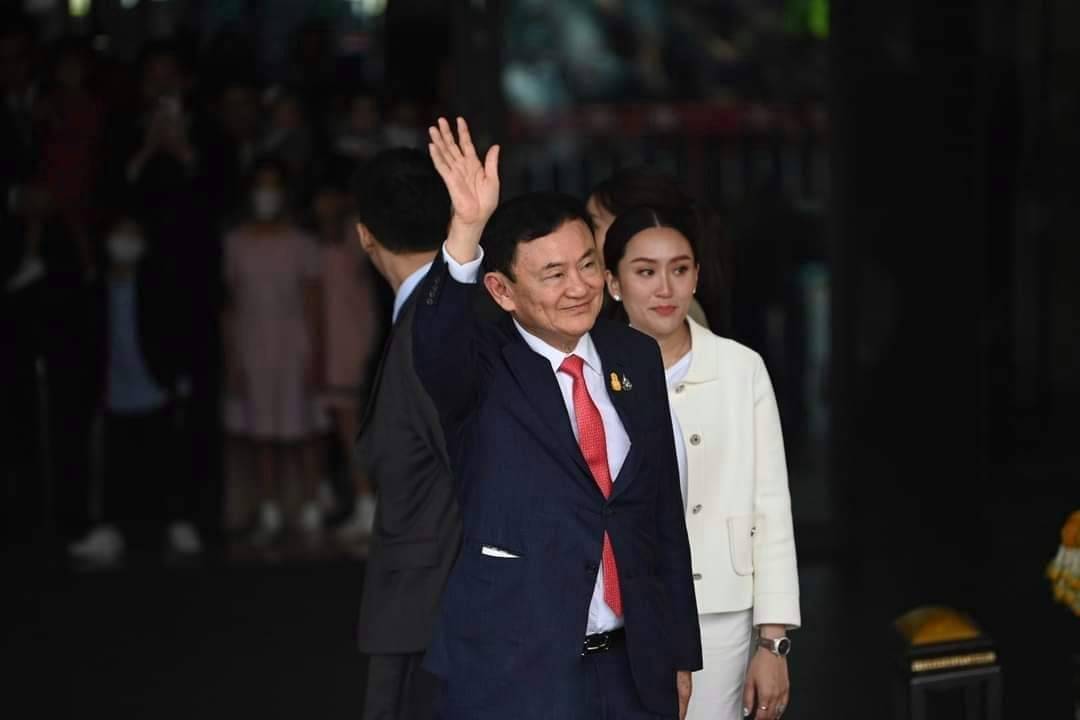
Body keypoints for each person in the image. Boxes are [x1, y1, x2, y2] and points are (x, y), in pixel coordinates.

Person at [415, 117, 701, 719]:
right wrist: (465, 230)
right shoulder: (483, 369)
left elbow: (661, 512)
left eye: (588, 265)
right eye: (553, 274)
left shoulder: (633, 355)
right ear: (502, 291)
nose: (580, 287)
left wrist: (678, 651)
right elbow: (436, 343)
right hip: (519, 668)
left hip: (633, 664)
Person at [603, 206, 801, 720]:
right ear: (613, 282)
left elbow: (770, 505)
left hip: (719, 609)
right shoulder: (592, 370)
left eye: (680, 268)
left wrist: (773, 642)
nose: (665, 288)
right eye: (645, 271)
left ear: (696, 276)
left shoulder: (740, 367)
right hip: (618, 615)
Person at [350, 148, 462, 720]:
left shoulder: (428, 326)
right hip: (428, 602)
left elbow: (469, 466)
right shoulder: (435, 311)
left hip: (431, 608)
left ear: (364, 235)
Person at [69, 213, 202, 564]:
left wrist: (179, 377)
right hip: (113, 392)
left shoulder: (158, 284)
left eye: (133, 235)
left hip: (155, 388)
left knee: (167, 461)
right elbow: (86, 341)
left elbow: (176, 329)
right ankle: (108, 530)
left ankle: (178, 522)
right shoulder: (95, 287)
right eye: (119, 234)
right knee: (114, 468)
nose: (124, 242)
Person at [222, 158, 325, 545]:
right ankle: (268, 508)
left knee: (302, 428)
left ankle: (311, 504)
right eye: (259, 186)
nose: (266, 195)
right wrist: (231, 357)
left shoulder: (302, 244)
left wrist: (316, 354)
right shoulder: (234, 243)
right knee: (260, 430)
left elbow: (314, 304)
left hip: (294, 344)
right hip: (251, 344)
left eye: (272, 186)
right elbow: (230, 305)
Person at [586, 167, 722, 332]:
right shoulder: (607, 305)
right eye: (646, 272)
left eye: (595, 225)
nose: (665, 291)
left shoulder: (677, 311)